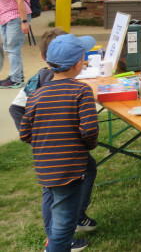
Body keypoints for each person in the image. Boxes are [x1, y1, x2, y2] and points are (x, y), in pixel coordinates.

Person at [10, 28, 98, 249]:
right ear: (79, 64)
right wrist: (86, 145)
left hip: (45, 166)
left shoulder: (37, 94)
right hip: (70, 168)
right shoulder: (81, 91)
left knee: (58, 208)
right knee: (64, 223)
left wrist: (45, 142)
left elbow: (25, 133)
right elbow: (89, 131)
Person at [0, 0, 32, 88]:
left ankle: (16, 79)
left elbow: (20, 1)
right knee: (8, 47)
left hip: (17, 16)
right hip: (5, 17)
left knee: (12, 48)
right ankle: (16, 75)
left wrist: (24, 22)